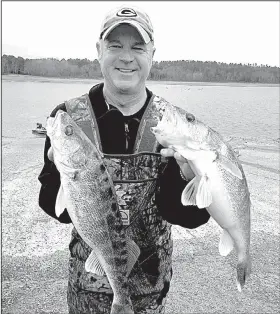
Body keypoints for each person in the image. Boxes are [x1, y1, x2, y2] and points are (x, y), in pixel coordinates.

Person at [38, 5, 210, 314]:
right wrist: (59, 173)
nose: (126, 57)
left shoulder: (174, 126)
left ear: (152, 53)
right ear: (99, 50)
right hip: (85, 291)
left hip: (150, 292)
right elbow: (55, 208)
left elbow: (190, 217)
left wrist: (189, 180)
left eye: (137, 47)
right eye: (115, 45)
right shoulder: (69, 118)